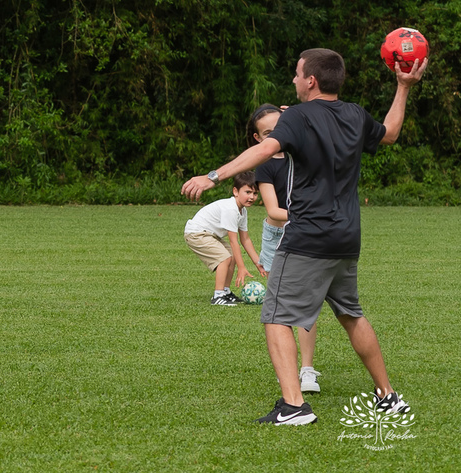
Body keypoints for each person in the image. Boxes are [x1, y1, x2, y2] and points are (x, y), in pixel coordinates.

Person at [182, 49, 426, 425]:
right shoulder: (355, 114)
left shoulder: (297, 116)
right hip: (347, 237)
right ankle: (388, 396)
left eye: (297, 74)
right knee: (351, 315)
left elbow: (266, 148)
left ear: (311, 80)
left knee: (276, 316)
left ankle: (294, 406)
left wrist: (213, 176)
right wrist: (403, 87)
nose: (294, 80)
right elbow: (390, 133)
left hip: (309, 236)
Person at [249, 104, 321, 394]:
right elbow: (274, 211)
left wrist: (306, 116)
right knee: (282, 309)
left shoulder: (304, 155)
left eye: (280, 126)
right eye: (268, 132)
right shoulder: (265, 166)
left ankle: (307, 370)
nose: (277, 134)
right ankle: (288, 370)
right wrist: (312, 215)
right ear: (258, 138)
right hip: (278, 236)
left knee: (306, 304)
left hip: (305, 232)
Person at [183, 171, 263, 305]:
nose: (252, 197)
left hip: (209, 234)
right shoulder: (230, 209)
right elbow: (233, 241)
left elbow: (245, 239)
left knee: (232, 257)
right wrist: (242, 267)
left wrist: (258, 263)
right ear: (235, 191)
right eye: (248, 192)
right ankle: (218, 295)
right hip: (196, 233)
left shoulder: (242, 211)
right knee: (225, 258)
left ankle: (225, 292)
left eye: (255, 193)